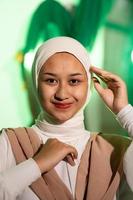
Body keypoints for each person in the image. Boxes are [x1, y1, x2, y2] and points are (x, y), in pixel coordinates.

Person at [0, 36, 133, 200]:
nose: (62, 94)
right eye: (51, 80)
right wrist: (36, 165)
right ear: (36, 82)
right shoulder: (11, 142)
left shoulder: (116, 149)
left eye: (74, 81)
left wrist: (125, 112)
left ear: (89, 85)